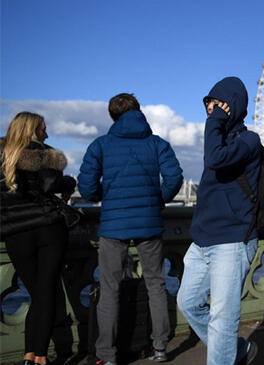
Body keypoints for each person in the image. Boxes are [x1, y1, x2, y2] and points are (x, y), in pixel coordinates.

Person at [78, 93, 183, 365]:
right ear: (139, 111)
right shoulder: (157, 144)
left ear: (113, 116)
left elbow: (87, 186)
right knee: (156, 284)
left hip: (113, 223)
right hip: (149, 222)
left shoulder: (100, 145)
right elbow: (174, 177)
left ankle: (107, 354)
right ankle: (160, 347)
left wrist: (105, 195)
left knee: (109, 288)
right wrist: (158, 198)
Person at [176, 77, 260, 365]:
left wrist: (215, 121)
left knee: (222, 320)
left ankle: (225, 354)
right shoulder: (219, 139)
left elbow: (215, 159)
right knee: (187, 303)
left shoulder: (249, 141)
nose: (212, 111)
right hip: (202, 240)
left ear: (233, 106)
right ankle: (236, 350)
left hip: (233, 240)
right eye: (209, 105)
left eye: (218, 104)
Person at [0, 112, 77, 365]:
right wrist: (68, 180)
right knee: (45, 293)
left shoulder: (3, 155)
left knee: (35, 293)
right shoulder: (44, 154)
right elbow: (48, 184)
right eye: (44, 128)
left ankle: (28, 355)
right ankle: (39, 356)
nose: (47, 133)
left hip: (14, 232)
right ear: (33, 130)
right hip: (47, 229)